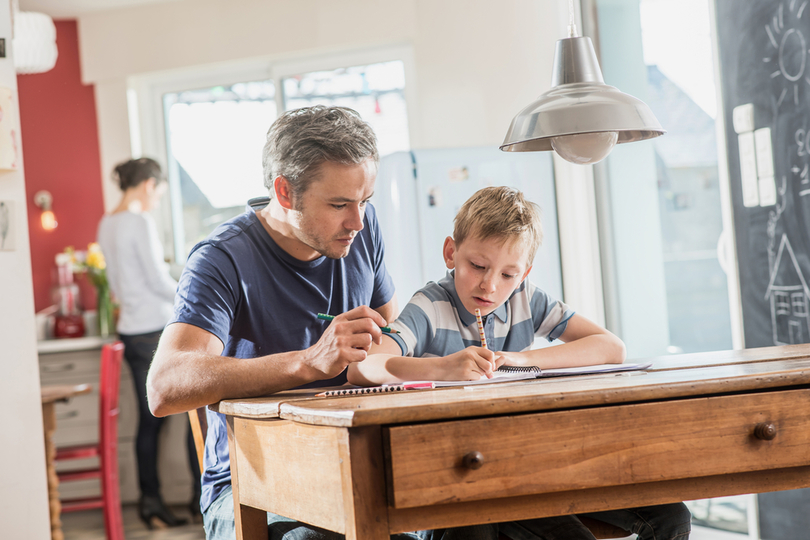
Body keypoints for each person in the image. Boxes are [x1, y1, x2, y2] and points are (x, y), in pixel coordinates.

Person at [147, 106, 487, 540]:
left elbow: (393, 342)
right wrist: (308, 362)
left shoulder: (363, 229)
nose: (358, 221)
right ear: (285, 192)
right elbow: (165, 386)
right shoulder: (221, 259)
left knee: (480, 519)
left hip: (359, 461)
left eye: (365, 202)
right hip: (253, 483)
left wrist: (439, 365)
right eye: (340, 204)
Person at [347, 186, 692, 540]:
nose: (490, 285)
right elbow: (364, 367)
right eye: (477, 266)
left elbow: (610, 347)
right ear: (451, 253)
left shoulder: (524, 300)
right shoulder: (431, 306)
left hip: (530, 467)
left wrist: (521, 359)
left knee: (673, 518)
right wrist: (441, 368)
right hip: (457, 480)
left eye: (507, 275)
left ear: (524, 274)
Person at [97, 157, 201, 528]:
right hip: (154, 329)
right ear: (147, 185)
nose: (157, 197)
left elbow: (117, 282)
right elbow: (158, 278)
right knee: (194, 412)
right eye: (157, 189)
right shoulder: (139, 221)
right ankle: (200, 499)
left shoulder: (107, 223)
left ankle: (150, 502)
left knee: (148, 422)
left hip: (130, 328)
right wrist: (193, 298)